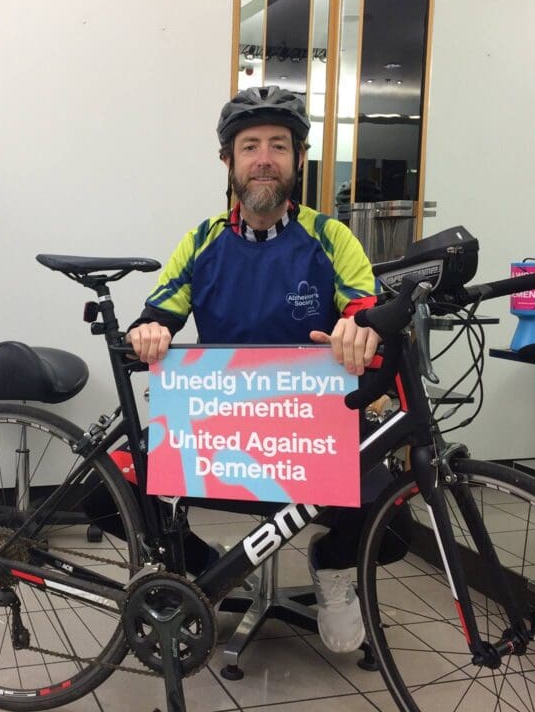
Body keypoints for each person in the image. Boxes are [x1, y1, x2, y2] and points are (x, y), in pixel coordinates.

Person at [126, 85, 408, 655]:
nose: (263, 158)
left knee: (395, 515)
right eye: (248, 146)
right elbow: (159, 311)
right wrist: (150, 329)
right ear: (228, 160)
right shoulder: (202, 240)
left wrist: (362, 329)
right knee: (108, 494)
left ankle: (332, 566)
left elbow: (365, 310)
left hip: (313, 436)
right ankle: (214, 569)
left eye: (278, 146)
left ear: (298, 161)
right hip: (220, 437)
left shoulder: (331, 237)